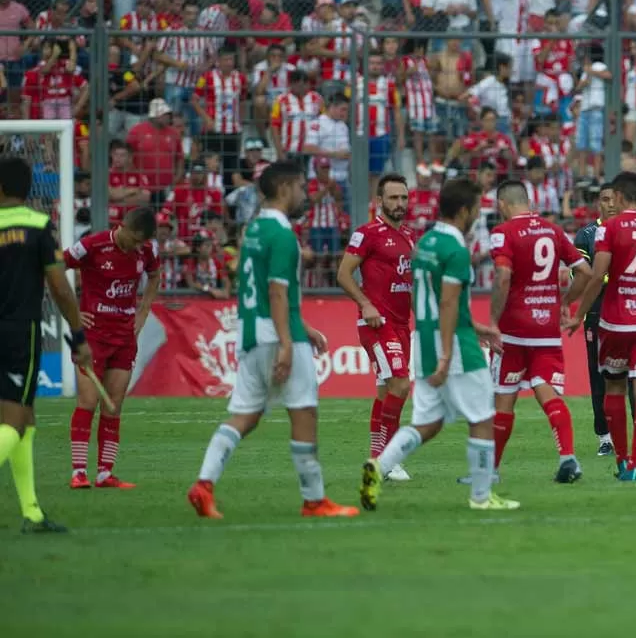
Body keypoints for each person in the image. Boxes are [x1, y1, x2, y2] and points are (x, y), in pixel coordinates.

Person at [187, 161, 359, 519]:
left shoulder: (253, 230)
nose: (304, 194)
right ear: (284, 188)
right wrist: (286, 341)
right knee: (304, 412)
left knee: (245, 415)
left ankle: (204, 484)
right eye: (300, 186)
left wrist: (304, 327)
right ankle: (314, 500)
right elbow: (277, 292)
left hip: (250, 333)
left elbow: (266, 291)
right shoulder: (282, 234)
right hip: (278, 336)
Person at [359, 178, 520, 512]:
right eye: (476, 208)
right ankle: (481, 496)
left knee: (427, 423)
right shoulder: (455, 249)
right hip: (453, 347)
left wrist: (475, 328)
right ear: (464, 210)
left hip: (425, 341)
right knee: (482, 417)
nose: (478, 215)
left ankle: (378, 466)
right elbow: (448, 303)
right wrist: (449, 353)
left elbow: (434, 303)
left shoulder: (425, 243)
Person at [563, 171, 636, 481]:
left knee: (613, 386)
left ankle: (622, 458)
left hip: (614, 322)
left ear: (622, 198)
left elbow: (598, 277)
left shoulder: (609, 229)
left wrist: (578, 314)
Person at [0, 157, 92, 533]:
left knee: (27, 418)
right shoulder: (37, 225)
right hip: (19, 332)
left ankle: (32, 512)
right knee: (15, 419)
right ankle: (32, 513)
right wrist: (78, 335)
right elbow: (58, 285)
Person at [487, 180, 592, 484]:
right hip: (546, 327)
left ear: (502, 205)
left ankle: (490, 471)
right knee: (548, 393)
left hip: (514, 329)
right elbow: (584, 271)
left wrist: (493, 320)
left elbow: (503, 276)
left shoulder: (502, 233)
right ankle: (568, 458)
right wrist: (566, 301)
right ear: (529, 202)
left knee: (504, 399)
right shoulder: (552, 230)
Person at [62, 206, 161, 490]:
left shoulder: (146, 251)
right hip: (92, 337)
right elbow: (55, 268)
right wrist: (72, 314)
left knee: (113, 405)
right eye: (134, 240)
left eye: (142, 243)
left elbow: (155, 276)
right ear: (122, 227)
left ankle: (105, 473)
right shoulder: (92, 245)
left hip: (124, 337)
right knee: (88, 401)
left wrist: (143, 312)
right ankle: (78, 472)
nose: (138, 247)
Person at [335, 173, 418, 481]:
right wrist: (365, 304)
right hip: (377, 322)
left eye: (404, 197)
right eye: (393, 198)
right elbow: (343, 274)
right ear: (379, 201)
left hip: (401, 324)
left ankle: (376, 457)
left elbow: (407, 282)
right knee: (400, 384)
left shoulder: (409, 236)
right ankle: (389, 459)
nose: (399, 203)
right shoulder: (367, 233)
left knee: (386, 391)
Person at [573, 182, 636, 456]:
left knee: (635, 374)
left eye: (614, 199)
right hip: (598, 310)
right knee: (599, 375)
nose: (610, 204)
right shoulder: (586, 235)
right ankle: (604, 436)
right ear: (598, 203)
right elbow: (584, 275)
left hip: (630, 309)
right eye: (605, 199)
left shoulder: (634, 231)